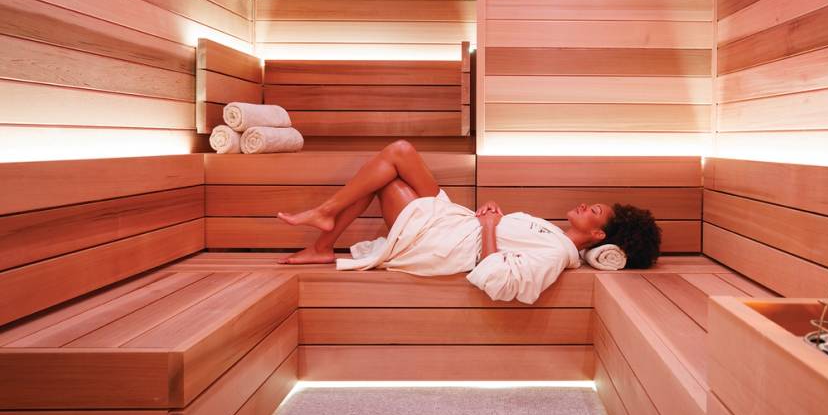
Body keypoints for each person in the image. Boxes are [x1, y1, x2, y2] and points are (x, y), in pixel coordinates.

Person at [276, 140, 660, 304]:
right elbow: (508, 244)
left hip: (437, 241)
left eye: (592, 210)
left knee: (390, 172)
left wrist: (491, 228)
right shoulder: (552, 235)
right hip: (455, 222)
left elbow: (502, 283)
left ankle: (324, 233)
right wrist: (495, 214)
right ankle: (323, 236)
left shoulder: (556, 255)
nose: (583, 204)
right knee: (400, 152)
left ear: (598, 235)